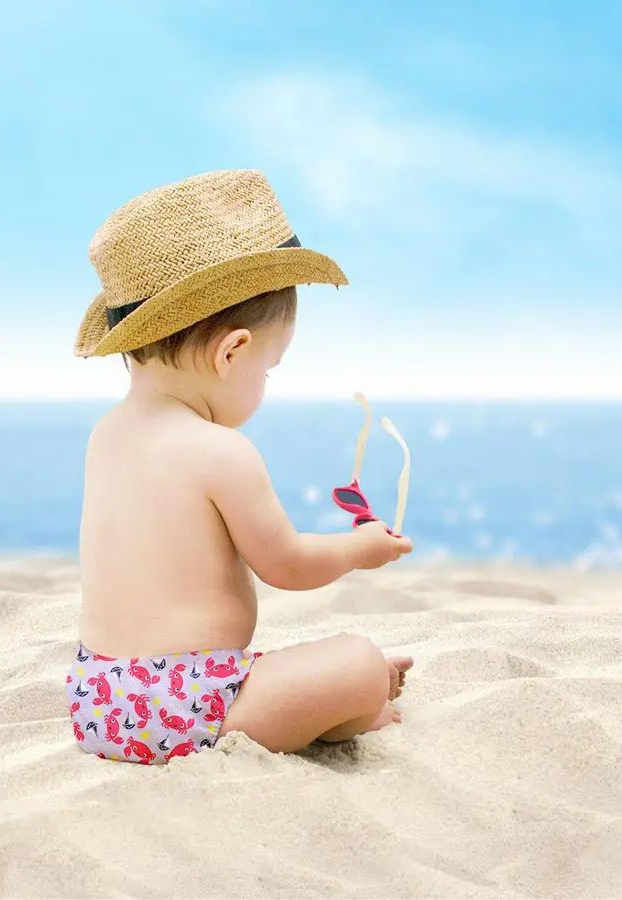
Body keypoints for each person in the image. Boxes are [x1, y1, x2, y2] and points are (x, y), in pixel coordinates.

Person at [64, 169, 414, 765]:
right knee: (357, 662)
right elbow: (288, 565)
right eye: (269, 370)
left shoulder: (107, 434)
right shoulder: (219, 451)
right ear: (232, 352)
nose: (266, 385)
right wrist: (361, 548)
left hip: (97, 701)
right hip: (190, 706)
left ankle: (331, 703)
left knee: (309, 674)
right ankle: (348, 707)